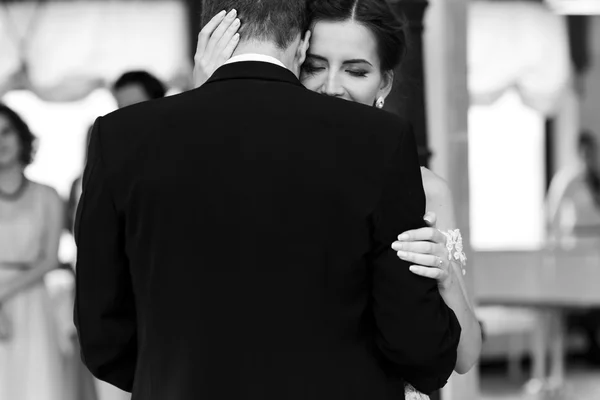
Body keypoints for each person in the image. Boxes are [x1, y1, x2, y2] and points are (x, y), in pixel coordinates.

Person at [74, 0, 462, 398]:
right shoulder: (381, 142)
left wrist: (172, 376)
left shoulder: (119, 138)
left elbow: (102, 335)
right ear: (301, 43)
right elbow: (415, 342)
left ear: (210, 32)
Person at [194, 0, 482, 395]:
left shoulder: (428, 189)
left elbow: (465, 358)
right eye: (315, 66)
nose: (332, 87)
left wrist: (445, 274)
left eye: (356, 70)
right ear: (293, 62)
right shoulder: (257, 170)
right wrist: (208, 93)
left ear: (384, 84)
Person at [0, 103, 65, 400]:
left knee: (37, 384)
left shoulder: (47, 196)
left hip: (31, 301)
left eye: (5, 132)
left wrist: (3, 293)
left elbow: (51, 259)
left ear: (20, 136)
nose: (0, 142)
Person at [546, 130, 600, 365]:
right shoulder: (568, 179)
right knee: (581, 302)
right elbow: (552, 215)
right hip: (577, 246)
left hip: (597, 243)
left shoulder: (596, 178)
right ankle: (588, 346)